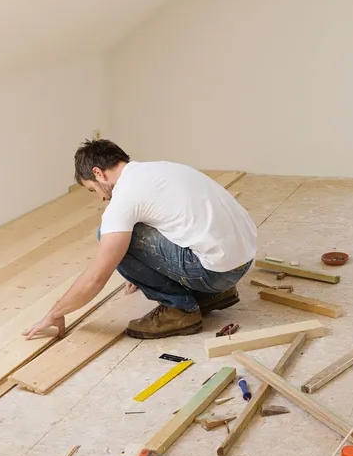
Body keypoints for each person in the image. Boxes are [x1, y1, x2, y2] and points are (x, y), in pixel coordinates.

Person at [23, 139, 257, 340]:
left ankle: (180, 310)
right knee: (128, 231)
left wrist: (55, 313)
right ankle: (215, 295)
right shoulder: (161, 169)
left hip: (215, 274)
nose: (101, 198)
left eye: (93, 190)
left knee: (107, 233)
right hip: (242, 261)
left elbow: (95, 277)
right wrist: (146, 266)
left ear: (98, 173)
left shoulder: (124, 198)